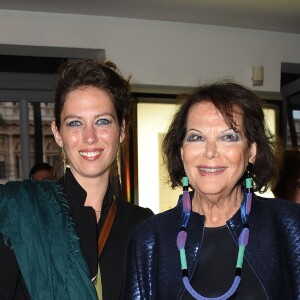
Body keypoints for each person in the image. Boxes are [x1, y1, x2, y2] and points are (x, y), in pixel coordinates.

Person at [123, 81, 300, 299]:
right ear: (182, 152)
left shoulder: (289, 225)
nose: (210, 152)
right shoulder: (150, 239)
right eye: (197, 137)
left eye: (228, 137)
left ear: (251, 152)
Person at [0, 58, 153, 299]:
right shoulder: (21, 211)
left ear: (122, 129)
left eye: (102, 121)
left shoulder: (142, 224)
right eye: (75, 123)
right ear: (57, 134)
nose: (89, 137)